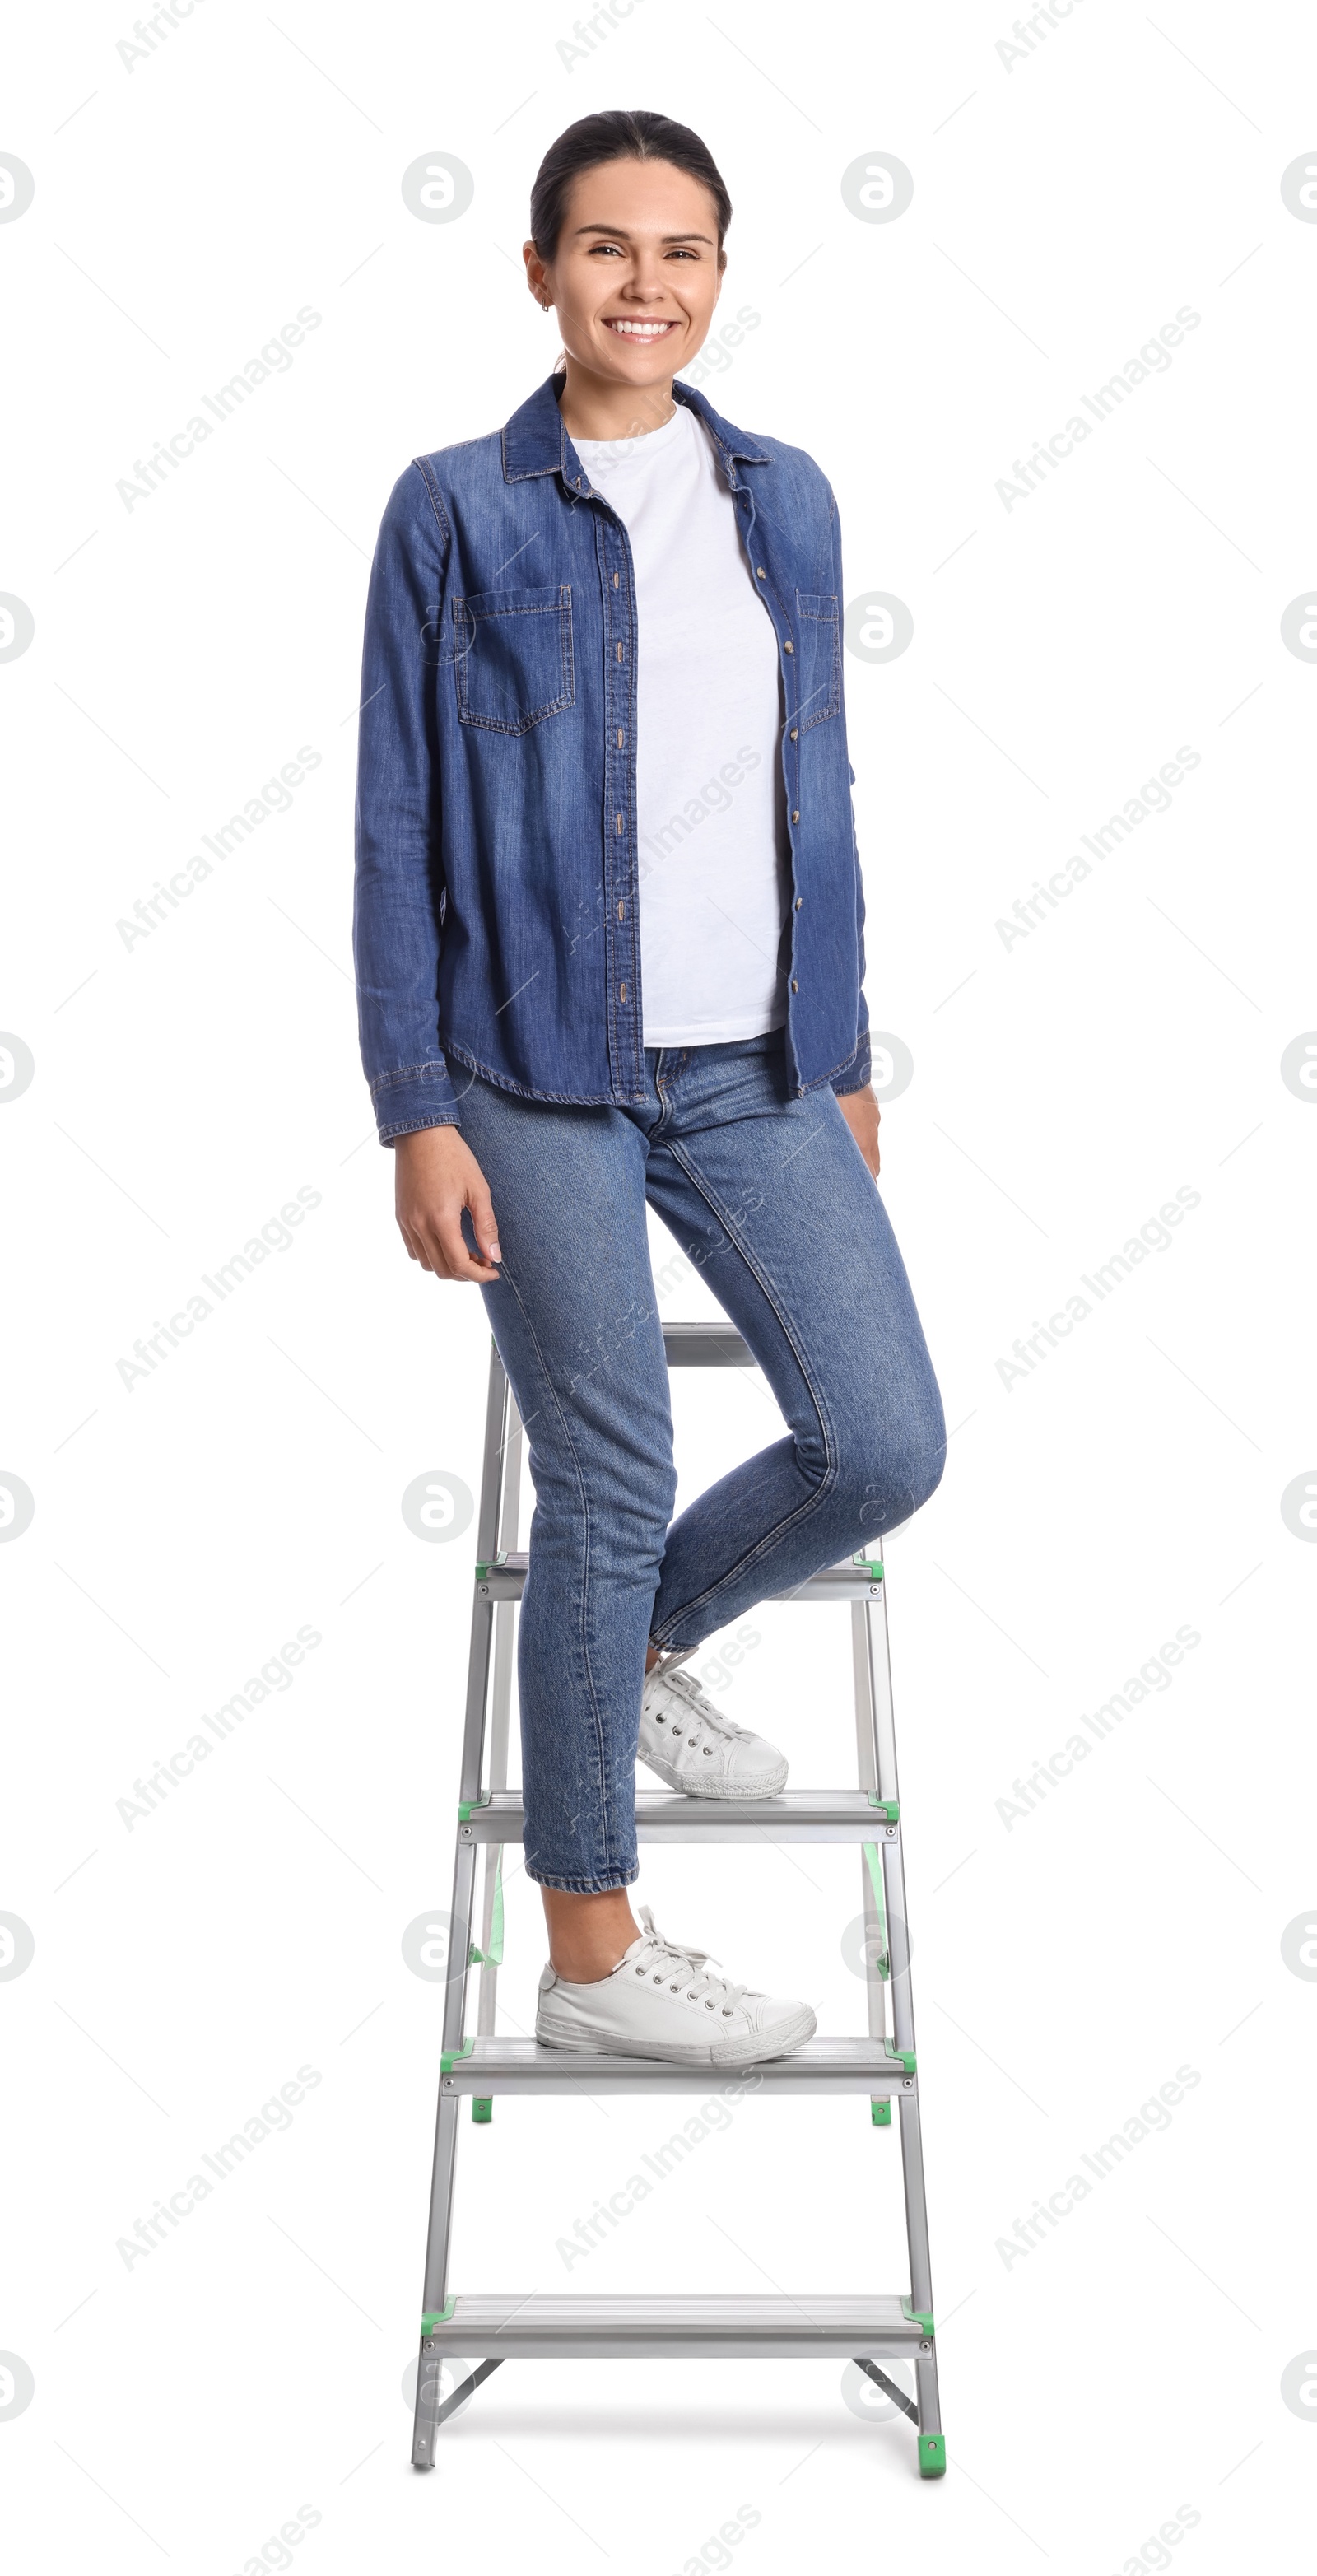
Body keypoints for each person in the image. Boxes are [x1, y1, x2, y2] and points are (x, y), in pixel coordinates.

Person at [353, 109, 946, 2070]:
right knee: (602, 1480)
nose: (644, 286)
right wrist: (413, 1104)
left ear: (717, 271)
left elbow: (821, 783)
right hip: (529, 1061)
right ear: (537, 271)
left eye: (680, 250)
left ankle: (644, 1651)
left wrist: (839, 1051)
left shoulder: (786, 495)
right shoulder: (456, 508)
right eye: (603, 249)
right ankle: (594, 1950)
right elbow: (394, 822)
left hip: (754, 1057)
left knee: (880, 1438)